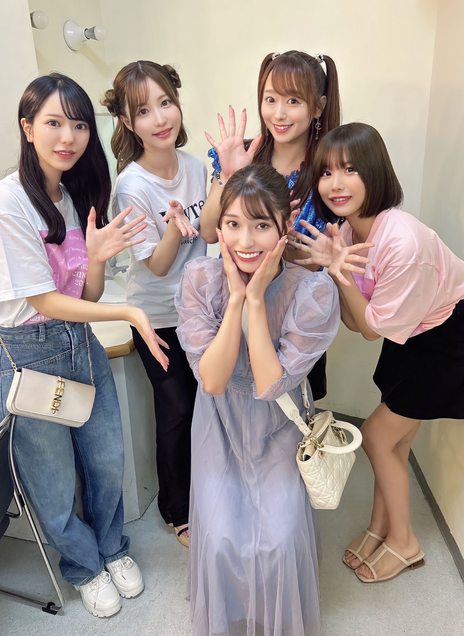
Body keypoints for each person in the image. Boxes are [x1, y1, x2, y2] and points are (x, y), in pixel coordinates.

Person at [0, 73, 170, 618]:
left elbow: (82, 295)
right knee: (53, 478)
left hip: (77, 341)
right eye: (53, 123)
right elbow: (43, 300)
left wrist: (99, 257)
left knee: (106, 457)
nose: (68, 137)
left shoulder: (68, 197)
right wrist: (128, 311)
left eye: (80, 125)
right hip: (26, 350)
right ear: (27, 127)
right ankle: (84, 566)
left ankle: (112, 548)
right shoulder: (4, 203)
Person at [292, 122, 464, 583]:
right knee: (396, 442)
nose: (336, 183)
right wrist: (334, 268)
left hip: (449, 339)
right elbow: (358, 319)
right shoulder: (350, 232)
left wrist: (337, 272)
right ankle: (380, 527)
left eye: (350, 169)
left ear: (375, 171)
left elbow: (367, 328)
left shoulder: (402, 243)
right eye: (326, 172)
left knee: (376, 436)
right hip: (414, 333)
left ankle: (405, 543)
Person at [175, 164, 340, 636]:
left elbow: (270, 385)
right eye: (232, 224)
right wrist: (234, 299)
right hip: (219, 424)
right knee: (221, 538)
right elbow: (213, 380)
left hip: (279, 428)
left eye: (261, 225)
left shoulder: (312, 291)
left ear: (284, 227)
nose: (245, 241)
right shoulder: (200, 278)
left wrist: (256, 300)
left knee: (278, 541)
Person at [102, 60, 207, 547]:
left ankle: (208, 492)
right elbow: (159, 266)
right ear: (127, 121)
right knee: (177, 409)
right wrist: (171, 228)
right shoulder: (132, 185)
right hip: (156, 318)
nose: (160, 118)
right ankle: (177, 510)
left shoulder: (196, 167)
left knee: (208, 404)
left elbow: (209, 235)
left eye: (166, 103)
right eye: (144, 111)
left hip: (201, 311)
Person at [201, 49, 341, 401]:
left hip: (293, 321)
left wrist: (286, 245)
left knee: (290, 409)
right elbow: (207, 231)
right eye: (270, 99)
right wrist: (229, 176)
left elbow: (322, 261)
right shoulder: (243, 154)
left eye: (293, 101)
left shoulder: (328, 176)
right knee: (228, 397)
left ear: (318, 107)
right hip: (233, 309)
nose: (279, 113)